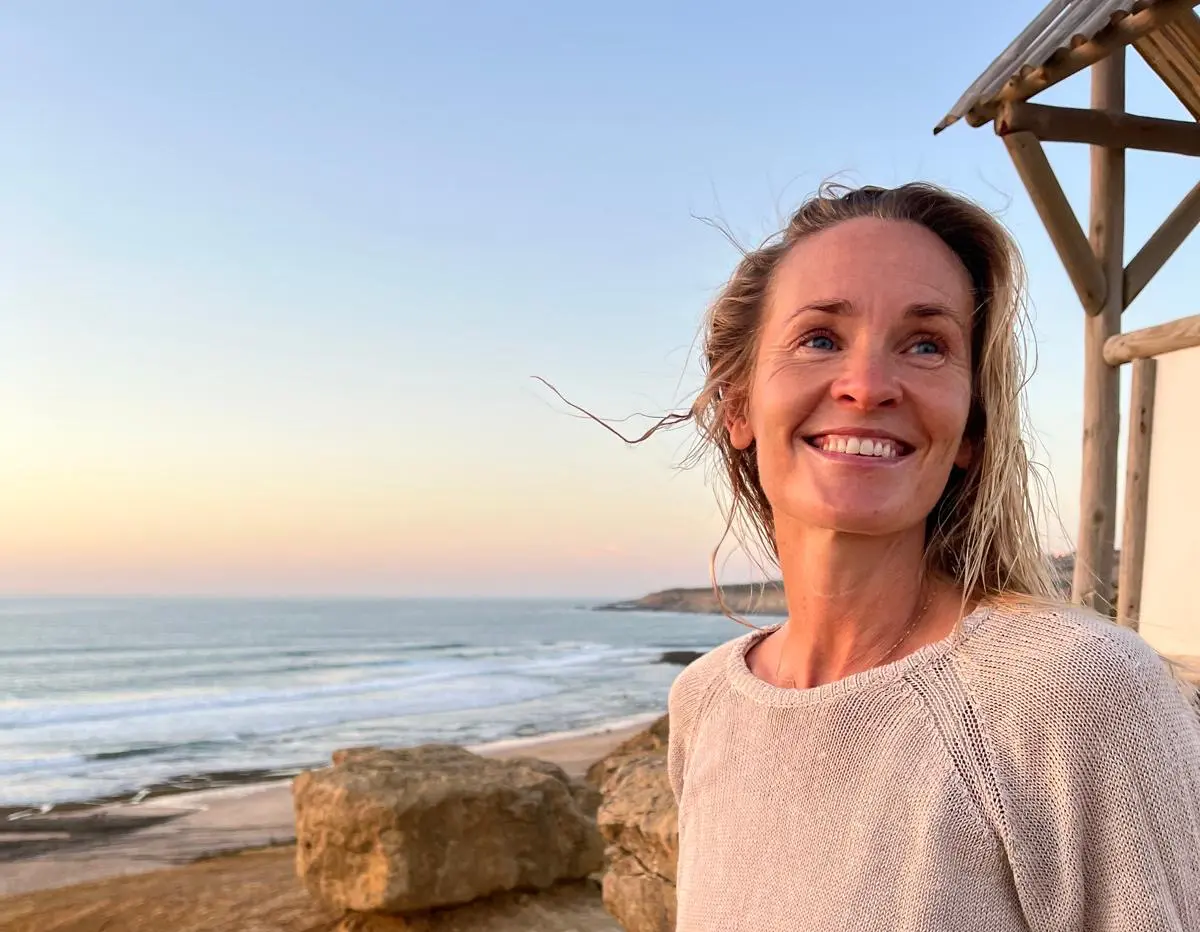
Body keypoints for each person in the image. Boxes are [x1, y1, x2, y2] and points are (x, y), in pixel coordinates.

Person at [663, 183, 1200, 930]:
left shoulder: (1073, 692)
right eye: (820, 337)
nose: (868, 386)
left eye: (926, 346)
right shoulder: (705, 703)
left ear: (972, 428)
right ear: (740, 406)